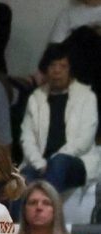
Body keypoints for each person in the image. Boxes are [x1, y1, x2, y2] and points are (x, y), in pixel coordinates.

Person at [19, 43, 99, 193]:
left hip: (75, 161)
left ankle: (50, 213)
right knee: (22, 180)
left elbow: (85, 140)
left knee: (59, 163)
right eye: (52, 65)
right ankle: (16, 217)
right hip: (41, 163)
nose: (57, 71)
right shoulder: (36, 98)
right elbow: (27, 137)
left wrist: (55, 159)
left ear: (71, 70)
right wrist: (39, 163)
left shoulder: (86, 97)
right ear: (46, 69)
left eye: (63, 66)